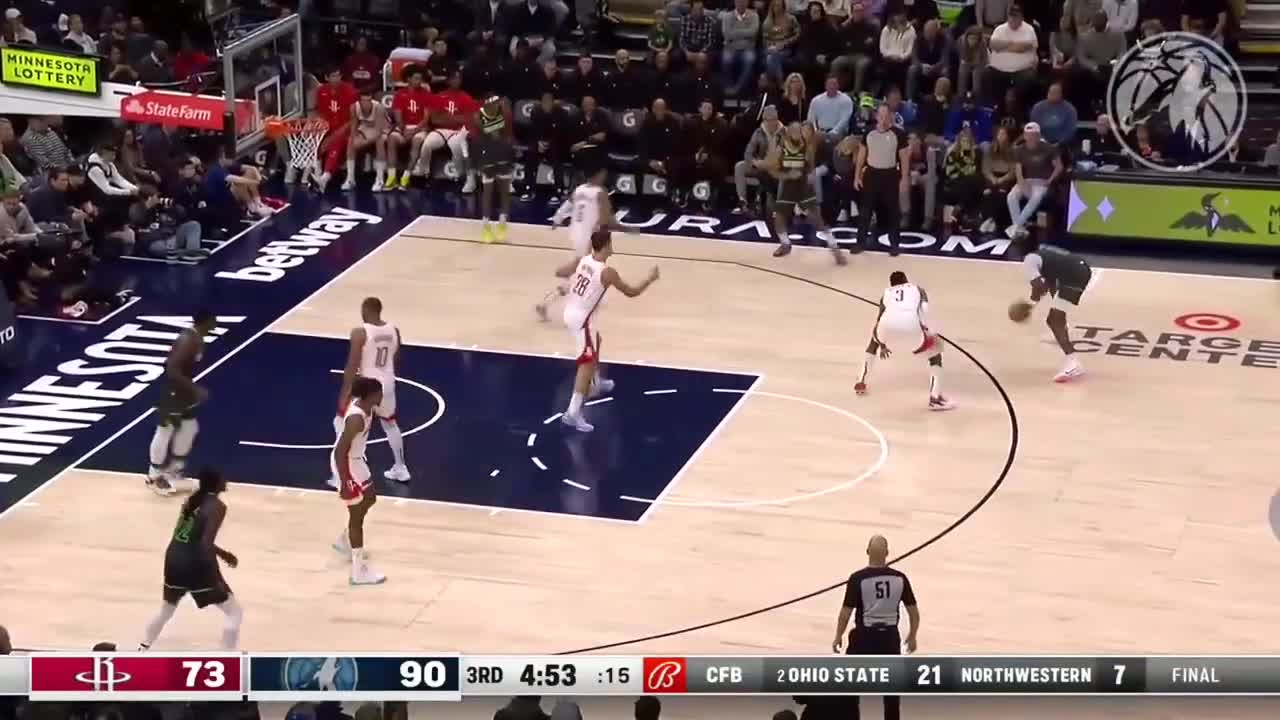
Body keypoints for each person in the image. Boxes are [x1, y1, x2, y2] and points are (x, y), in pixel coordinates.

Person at [561, 229, 660, 432]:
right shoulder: (607, 272)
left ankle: (597, 381)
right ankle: (572, 413)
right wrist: (650, 279)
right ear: (606, 245)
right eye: (611, 242)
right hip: (582, 319)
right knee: (585, 364)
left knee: (597, 340)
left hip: (570, 311)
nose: (612, 246)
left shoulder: (585, 260)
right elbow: (631, 292)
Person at [140, 468, 243, 651]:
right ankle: (227, 659)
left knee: (166, 610)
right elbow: (205, 544)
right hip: (194, 563)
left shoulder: (192, 499)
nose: (226, 480)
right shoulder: (217, 506)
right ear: (216, 484)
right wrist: (224, 556)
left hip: (173, 557)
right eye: (222, 478)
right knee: (234, 612)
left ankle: (142, 648)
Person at [832, 534, 919, 720]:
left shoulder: (857, 578)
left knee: (850, 685)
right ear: (887, 553)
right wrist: (912, 635)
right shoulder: (900, 578)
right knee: (891, 691)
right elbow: (913, 612)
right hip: (889, 638)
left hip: (864, 636)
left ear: (867, 551)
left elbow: (845, 612)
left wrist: (838, 635)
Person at [328, 297, 409, 486]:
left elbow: (352, 364)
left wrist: (345, 392)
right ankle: (401, 468)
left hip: (366, 385)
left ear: (365, 310)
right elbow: (397, 357)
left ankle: (342, 475)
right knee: (390, 423)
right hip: (387, 383)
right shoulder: (393, 330)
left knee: (342, 422)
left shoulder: (360, 332)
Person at [855, 271, 954, 410]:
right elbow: (925, 310)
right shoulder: (917, 289)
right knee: (935, 353)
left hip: (886, 331)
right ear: (906, 280)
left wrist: (882, 344)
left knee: (873, 342)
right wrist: (928, 332)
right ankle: (935, 397)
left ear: (891, 284)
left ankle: (861, 381)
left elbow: (879, 318)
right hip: (911, 329)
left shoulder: (886, 293)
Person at [147, 310, 217, 495]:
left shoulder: (198, 338)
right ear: (205, 322)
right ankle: (155, 476)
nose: (215, 324)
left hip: (184, 392)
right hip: (172, 392)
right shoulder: (188, 340)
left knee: (189, 429)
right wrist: (195, 389)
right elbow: (172, 370)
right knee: (165, 431)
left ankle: (173, 471)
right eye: (213, 321)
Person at [541, 164, 615, 320]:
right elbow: (604, 219)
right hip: (588, 236)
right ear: (597, 175)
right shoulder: (599, 193)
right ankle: (546, 303)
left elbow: (568, 204)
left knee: (580, 271)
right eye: (602, 172)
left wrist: (557, 218)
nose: (604, 175)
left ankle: (551, 300)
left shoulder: (580, 189)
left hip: (576, 234)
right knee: (579, 273)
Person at [333, 376, 388, 585]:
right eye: (379, 392)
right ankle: (358, 571)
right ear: (371, 396)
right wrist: (346, 482)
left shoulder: (367, 405)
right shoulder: (356, 419)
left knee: (370, 498)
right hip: (346, 463)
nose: (382, 395)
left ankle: (345, 539)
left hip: (356, 459)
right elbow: (340, 451)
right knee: (356, 516)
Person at [769, 122, 846, 264]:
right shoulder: (784, 145)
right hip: (788, 187)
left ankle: (835, 249)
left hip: (804, 187)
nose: (802, 133)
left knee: (818, 221)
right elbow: (774, 169)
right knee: (778, 217)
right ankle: (785, 244)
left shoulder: (811, 146)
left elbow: (810, 164)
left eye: (805, 131)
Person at [1018, 238, 1091, 383]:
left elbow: (1039, 286)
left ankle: (1073, 362)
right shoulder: (1043, 256)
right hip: (1078, 269)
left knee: (1053, 320)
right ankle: (1062, 330)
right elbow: (1050, 286)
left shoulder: (1029, 261)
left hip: (1074, 275)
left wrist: (1029, 305)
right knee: (1057, 315)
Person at [855, 104, 909, 256]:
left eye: (887, 115)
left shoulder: (899, 134)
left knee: (893, 211)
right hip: (871, 174)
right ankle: (860, 243)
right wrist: (857, 176)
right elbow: (861, 155)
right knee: (865, 210)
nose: (884, 118)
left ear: (891, 116)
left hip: (890, 175)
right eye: (881, 115)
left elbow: (904, 158)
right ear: (876, 116)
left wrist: (904, 179)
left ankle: (894, 245)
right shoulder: (868, 132)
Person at [423, 71, 481, 192]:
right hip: (440, 130)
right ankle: (425, 174)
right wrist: (453, 119)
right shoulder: (439, 96)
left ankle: (461, 176)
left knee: (456, 146)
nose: (456, 81)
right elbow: (434, 119)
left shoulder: (466, 97)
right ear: (448, 81)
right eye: (454, 79)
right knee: (427, 144)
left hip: (458, 131)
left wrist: (448, 118)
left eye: (458, 79)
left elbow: (468, 119)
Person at [470, 96, 516, 243]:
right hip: (487, 154)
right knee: (487, 192)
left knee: (505, 190)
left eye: (498, 102)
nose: (497, 105)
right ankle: (486, 227)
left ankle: (502, 223)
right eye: (493, 102)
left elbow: (505, 134)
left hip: (502, 153)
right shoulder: (478, 115)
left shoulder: (505, 113)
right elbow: (489, 131)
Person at [1006, 122, 1063, 238]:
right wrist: (1021, 183)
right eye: (1028, 135)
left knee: (1036, 197)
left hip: (1042, 182)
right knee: (1011, 196)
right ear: (1024, 136)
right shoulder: (1020, 149)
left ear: (1038, 135)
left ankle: (1016, 227)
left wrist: (1050, 180)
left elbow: (1059, 167)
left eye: (1033, 135)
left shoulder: (1049, 148)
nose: (1030, 138)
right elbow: (1018, 169)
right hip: (1026, 180)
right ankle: (1019, 228)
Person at [312, 67, 360, 192]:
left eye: (338, 75)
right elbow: (320, 113)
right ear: (326, 78)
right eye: (333, 76)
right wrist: (320, 127)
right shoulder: (321, 91)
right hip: (328, 128)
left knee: (335, 143)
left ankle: (325, 178)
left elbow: (353, 118)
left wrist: (337, 133)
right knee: (316, 142)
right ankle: (318, 177)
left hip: (346, 128)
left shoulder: (349, 90)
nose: (336, 79)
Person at [387, 68, 433, 189]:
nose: (419, 81)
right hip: (404, 128)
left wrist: (414, 131)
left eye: (420, 79)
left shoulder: (426, 94)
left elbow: (426, 118)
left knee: (417, 142)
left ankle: (406, 177)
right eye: (416, 78)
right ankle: (391, 177)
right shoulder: (400, 94)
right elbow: (398, 116)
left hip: (420, 127)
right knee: (391, 139)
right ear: (408, 79)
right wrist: (403, 129)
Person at [734, 104, 784, 215]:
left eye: (774, 119)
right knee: (740, 166)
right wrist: (755, 162)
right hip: (761, 167)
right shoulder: (758, 133)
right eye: (769, 120)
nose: (772, 123)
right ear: (764, 120)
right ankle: (743, 202)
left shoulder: (785, 133)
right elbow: (747, 153)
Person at [342, 89, 391, 192]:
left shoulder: (378, 108)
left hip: (383, 128)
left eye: (369, 100)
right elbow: (354, 127)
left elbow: (378, 132)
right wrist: (355, 138)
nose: (366, 103)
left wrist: (363, 142)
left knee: (380, 141)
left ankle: (380, 180)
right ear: (359, 101)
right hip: (366, 127)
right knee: (351, 141)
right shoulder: (354, 107)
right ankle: (350, 179)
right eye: (364, 101)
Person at [721, 0, 761, 97]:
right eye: (739, 1)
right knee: (726, 60)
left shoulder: (754, 16)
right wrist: (745, 35)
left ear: (747, 3)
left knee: (750, 60)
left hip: (748, 48)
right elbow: (726, 34)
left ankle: (738, 88)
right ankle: (729, 87)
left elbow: (753, 33)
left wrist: (735, 33)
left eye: (743, 1)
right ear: (735, 2)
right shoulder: (727, 16)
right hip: (731, 48)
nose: (741, 3)